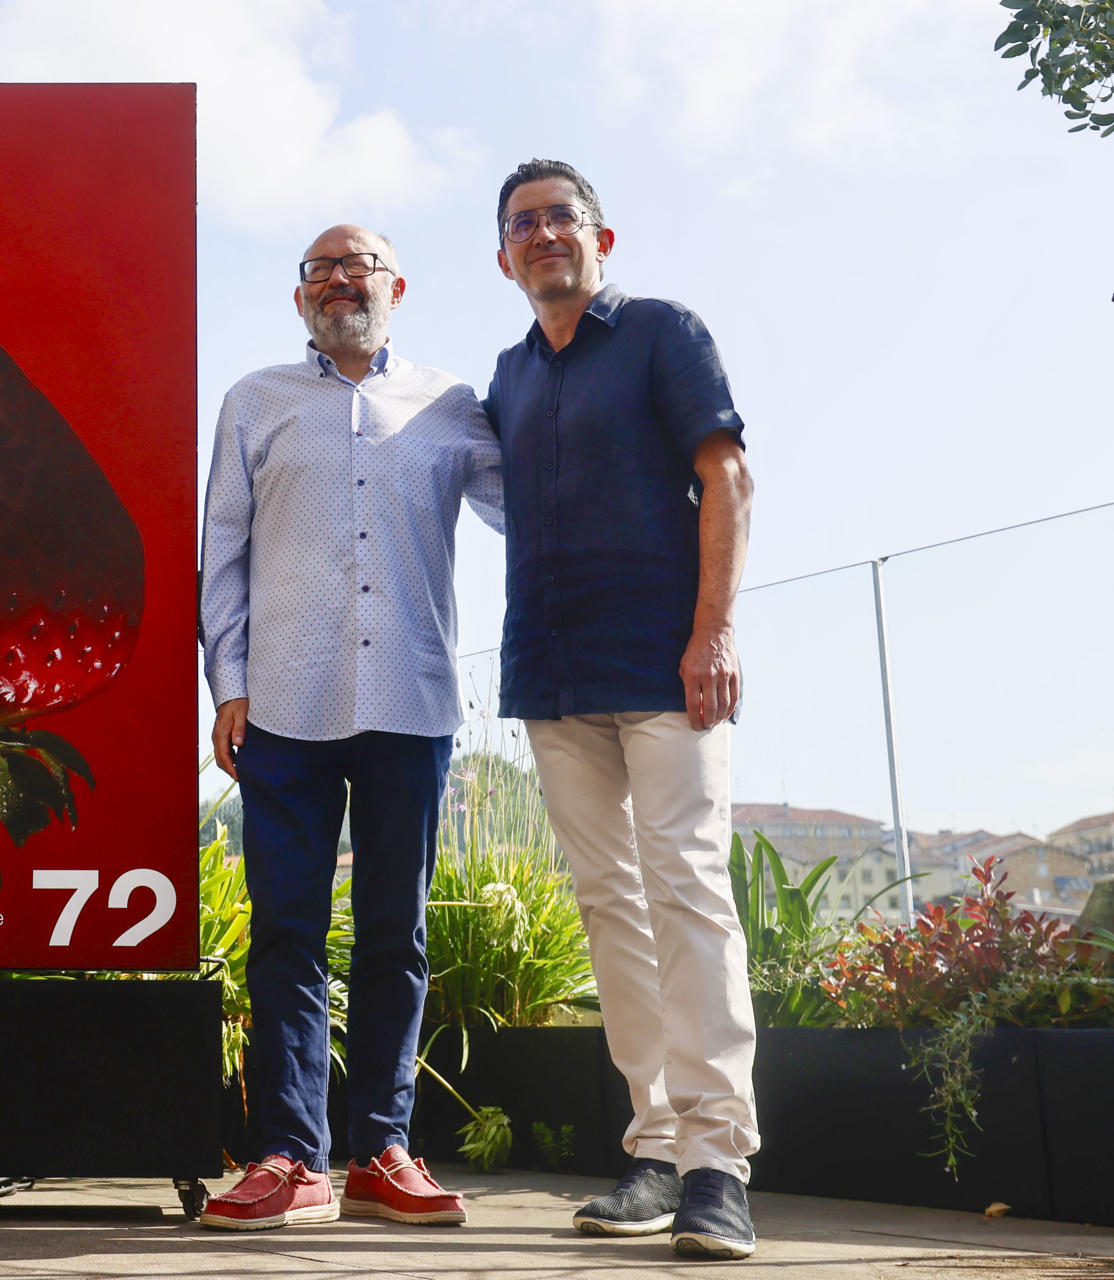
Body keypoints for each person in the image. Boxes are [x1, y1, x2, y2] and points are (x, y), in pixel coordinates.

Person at [198, 224, 504, 1231]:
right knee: (286, 932)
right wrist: (228, 681)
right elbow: (224, 552)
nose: (340, 280)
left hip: (411, 705)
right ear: (300, 299)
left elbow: (535, 507)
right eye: (321, 269)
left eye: (358, 265)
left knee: (395, 933)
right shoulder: (254, 401)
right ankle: (290, 1153)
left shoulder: (456, 406)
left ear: (396, 286)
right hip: (284, 704)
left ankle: (381, 1147)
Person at [483, 159, 760, 1261]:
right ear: (503, 255)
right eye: (523, 224)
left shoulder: (660, 332)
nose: (544, 233)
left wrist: (714, 630)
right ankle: (652, 1143)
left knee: (688, 889)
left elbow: (727, 477)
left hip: (665, 666)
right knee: (611, 906)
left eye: (562, 217)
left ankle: (717, 1161)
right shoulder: (505, 377)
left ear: (603, 236)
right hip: (552, 676)